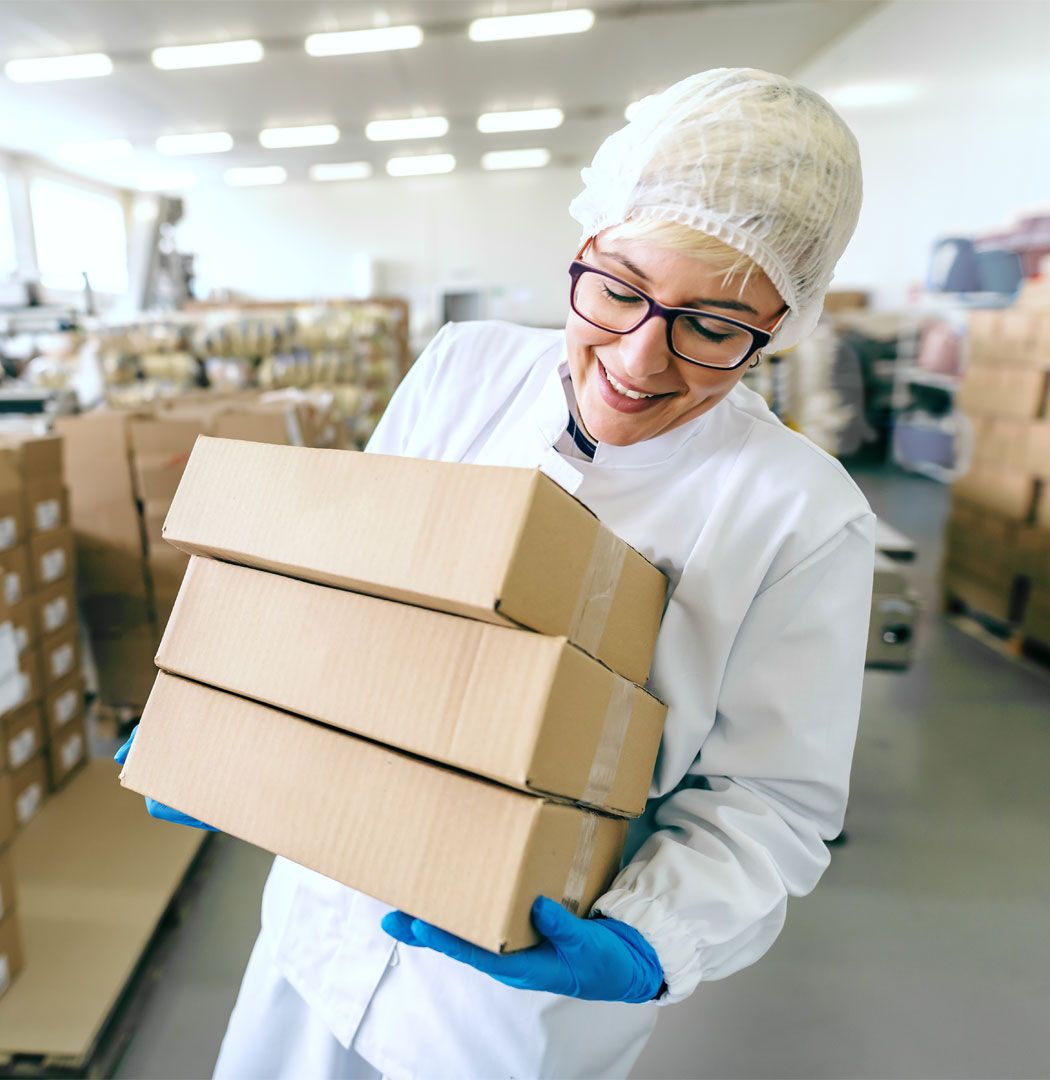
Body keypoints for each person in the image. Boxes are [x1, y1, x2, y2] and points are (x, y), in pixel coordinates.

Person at [118, 67, 874, 1078]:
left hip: (508, 1015)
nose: (642, 360)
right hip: (318, 927)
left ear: (782, 324)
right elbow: (346, 596)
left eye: (713, 326)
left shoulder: (799, 514)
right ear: (586, 244)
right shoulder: (463, 371)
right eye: (620, 290)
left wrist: (654, 938)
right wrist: (236, 724)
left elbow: (771, 802)